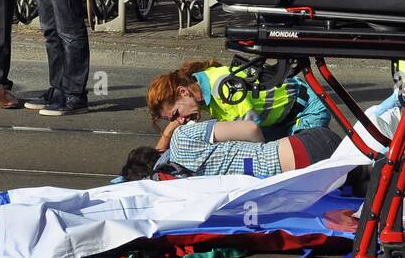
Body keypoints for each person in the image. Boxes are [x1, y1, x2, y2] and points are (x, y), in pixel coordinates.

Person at [146, 58, 330, 140]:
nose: (181, 120)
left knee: (300, 170)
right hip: (282, 118)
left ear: (183, 92)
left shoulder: (221, 88)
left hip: (306, 110)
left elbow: (250, 133)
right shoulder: (200, 88)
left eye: (177, 114)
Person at [122, 120, 343, 181]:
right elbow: (251, 128)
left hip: (306, 178)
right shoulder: (183, 138)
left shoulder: (176, 188)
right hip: (306, 147)